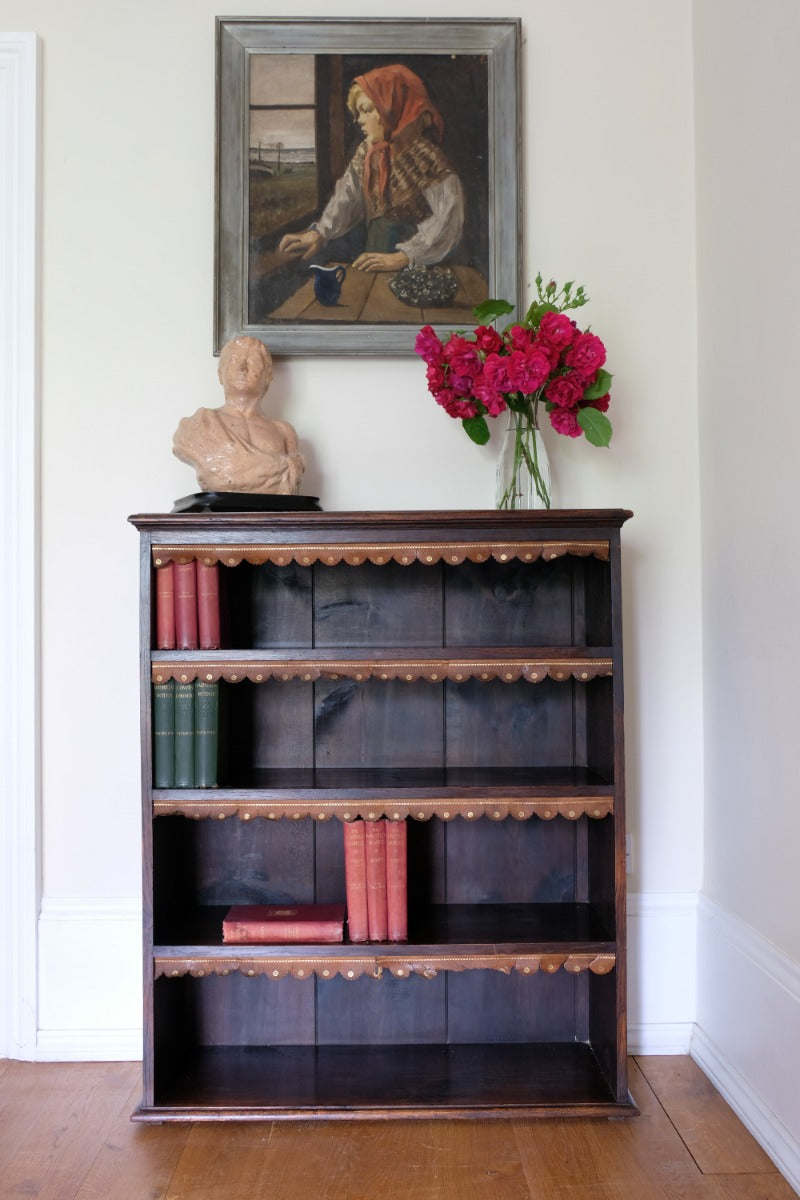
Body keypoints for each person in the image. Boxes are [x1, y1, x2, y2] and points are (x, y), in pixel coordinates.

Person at [278, 63, 464, 274]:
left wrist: (404, 256)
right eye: (358, 113)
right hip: (375, 254)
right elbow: (347, 196)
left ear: (393, 109)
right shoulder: (368, 152)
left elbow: (449, 220)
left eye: (366, 111)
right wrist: (320, 232)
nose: (359, 121)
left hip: (421, 265)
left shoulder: (427, 158)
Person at [172, 336, 305, 494]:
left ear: (268, 376)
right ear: (221, 373)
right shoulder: (198, 426)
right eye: (234, 360)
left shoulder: (284, 432)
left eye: (253, 361)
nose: (242, 368)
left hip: (273, 515)